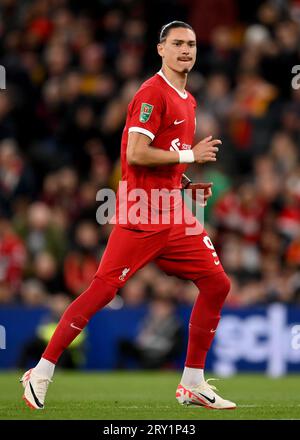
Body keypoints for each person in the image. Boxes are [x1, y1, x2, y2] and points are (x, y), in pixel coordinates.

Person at [20, 21, 236, 410]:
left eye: (191, 43)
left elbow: (162, 153)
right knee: (103, 290)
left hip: (173, 213)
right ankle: (42, 370)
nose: (186, 50)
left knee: (217, 284)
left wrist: (184, 181)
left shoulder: (188, 99)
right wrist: (190, 155)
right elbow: (136, 153)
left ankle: (192, 382)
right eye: (177, 44)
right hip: (142, 213)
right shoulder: (152, 93)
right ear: (160, 50)